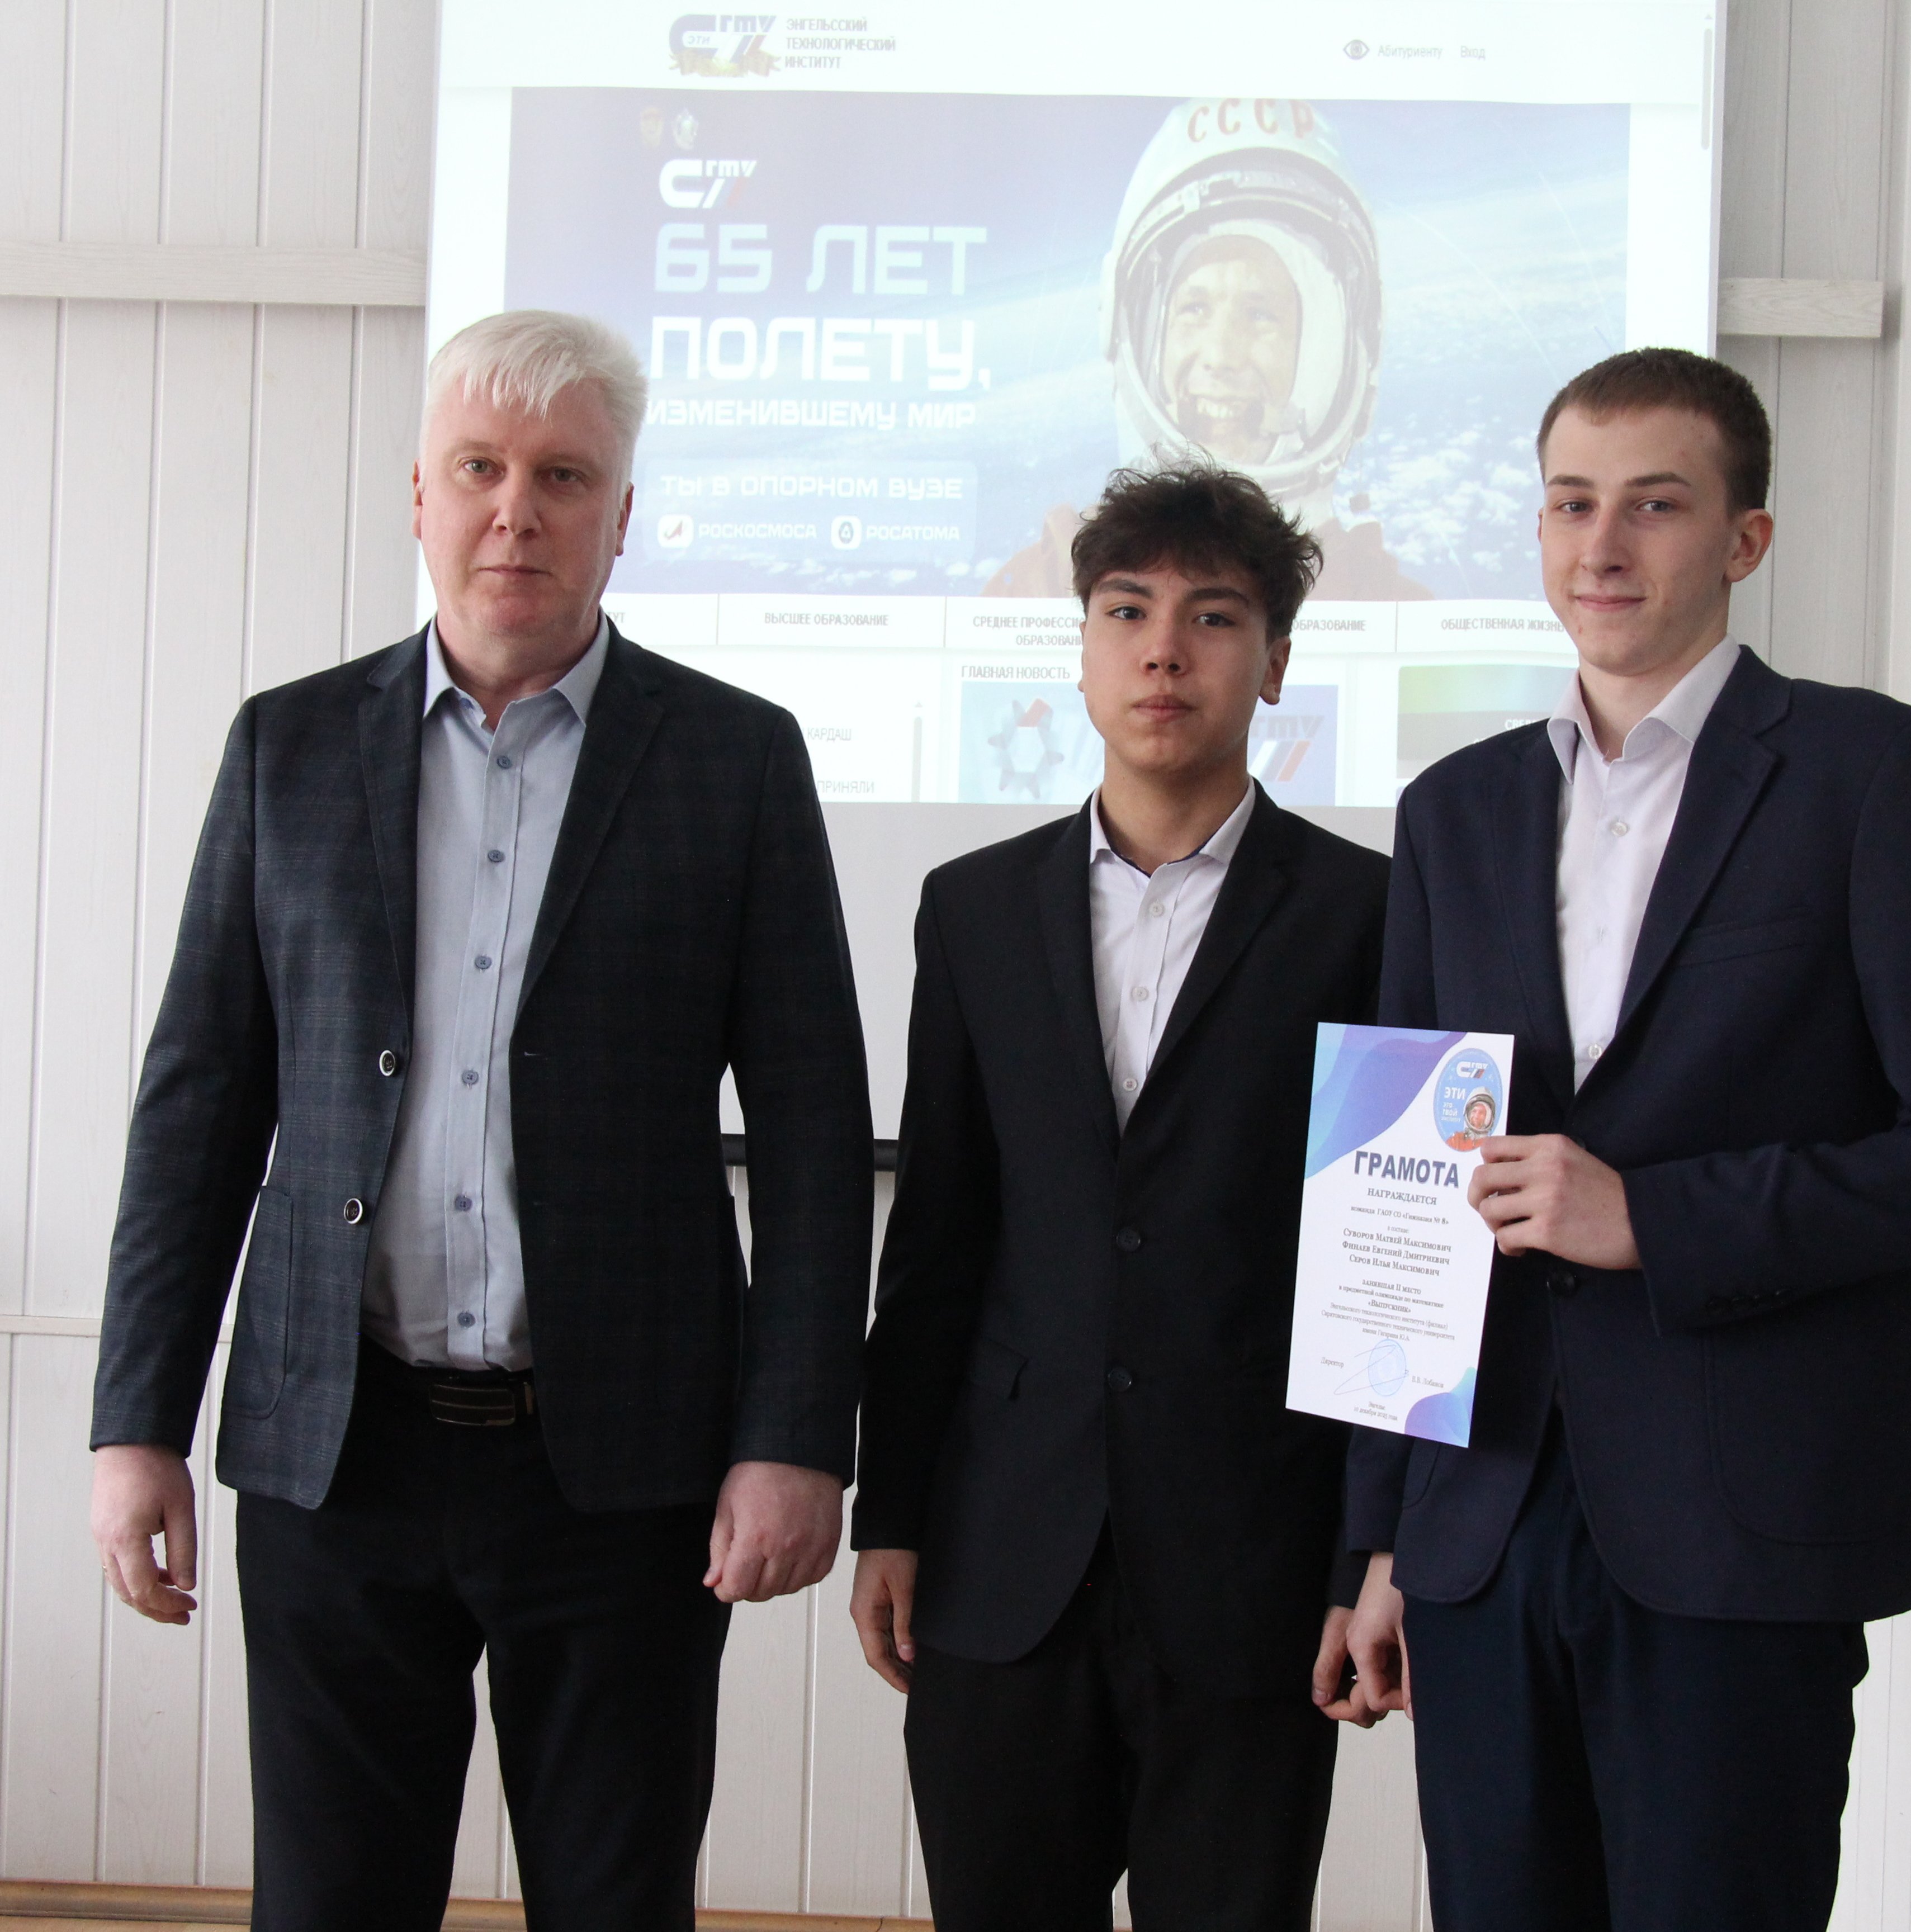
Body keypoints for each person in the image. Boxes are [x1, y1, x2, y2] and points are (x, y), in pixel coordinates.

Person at [87, 310, 873, 1932]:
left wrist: (795, 1435)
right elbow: (198, 1102)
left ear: (621, 516)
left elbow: (813, 1133)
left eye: (563, 476)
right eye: (480, 469)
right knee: (328, 1905)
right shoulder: (288, 746)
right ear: (421, 498)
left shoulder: (734, 760)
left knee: (616, 1902)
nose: (518, 509)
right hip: (337, 1450)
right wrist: (133, 1422)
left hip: (624, 1470)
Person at [1344, 348, 1911, 1930]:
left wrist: (1657, 1218)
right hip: (1480, 1529)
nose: (1601, 546)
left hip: (1740, 1532)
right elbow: (1394, 1195)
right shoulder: (1453, 810)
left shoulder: (1870, 775)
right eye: (1570, 504)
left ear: (1745, 537)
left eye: (1654, 506)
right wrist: (1380, 1543)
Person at [852, 462, 1390, 1930]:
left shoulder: (1372, 915)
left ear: (1273, 662)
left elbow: (1389, 1265)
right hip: (1001, 1557)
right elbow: (939, 1241)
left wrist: (1367, 1553)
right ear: (1082, 649)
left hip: (1252, 1567)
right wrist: (889, 1515)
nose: (1164, 652)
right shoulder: (973, 909)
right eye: (1127, 612)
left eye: (1212, 617)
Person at [985, 98, 1431, 602]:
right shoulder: (1036, 591)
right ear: (1132, 333)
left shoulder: (1391, 605)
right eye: (1194, 309)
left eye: (1260, 315)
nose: (1221, 356)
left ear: (1321, 354)